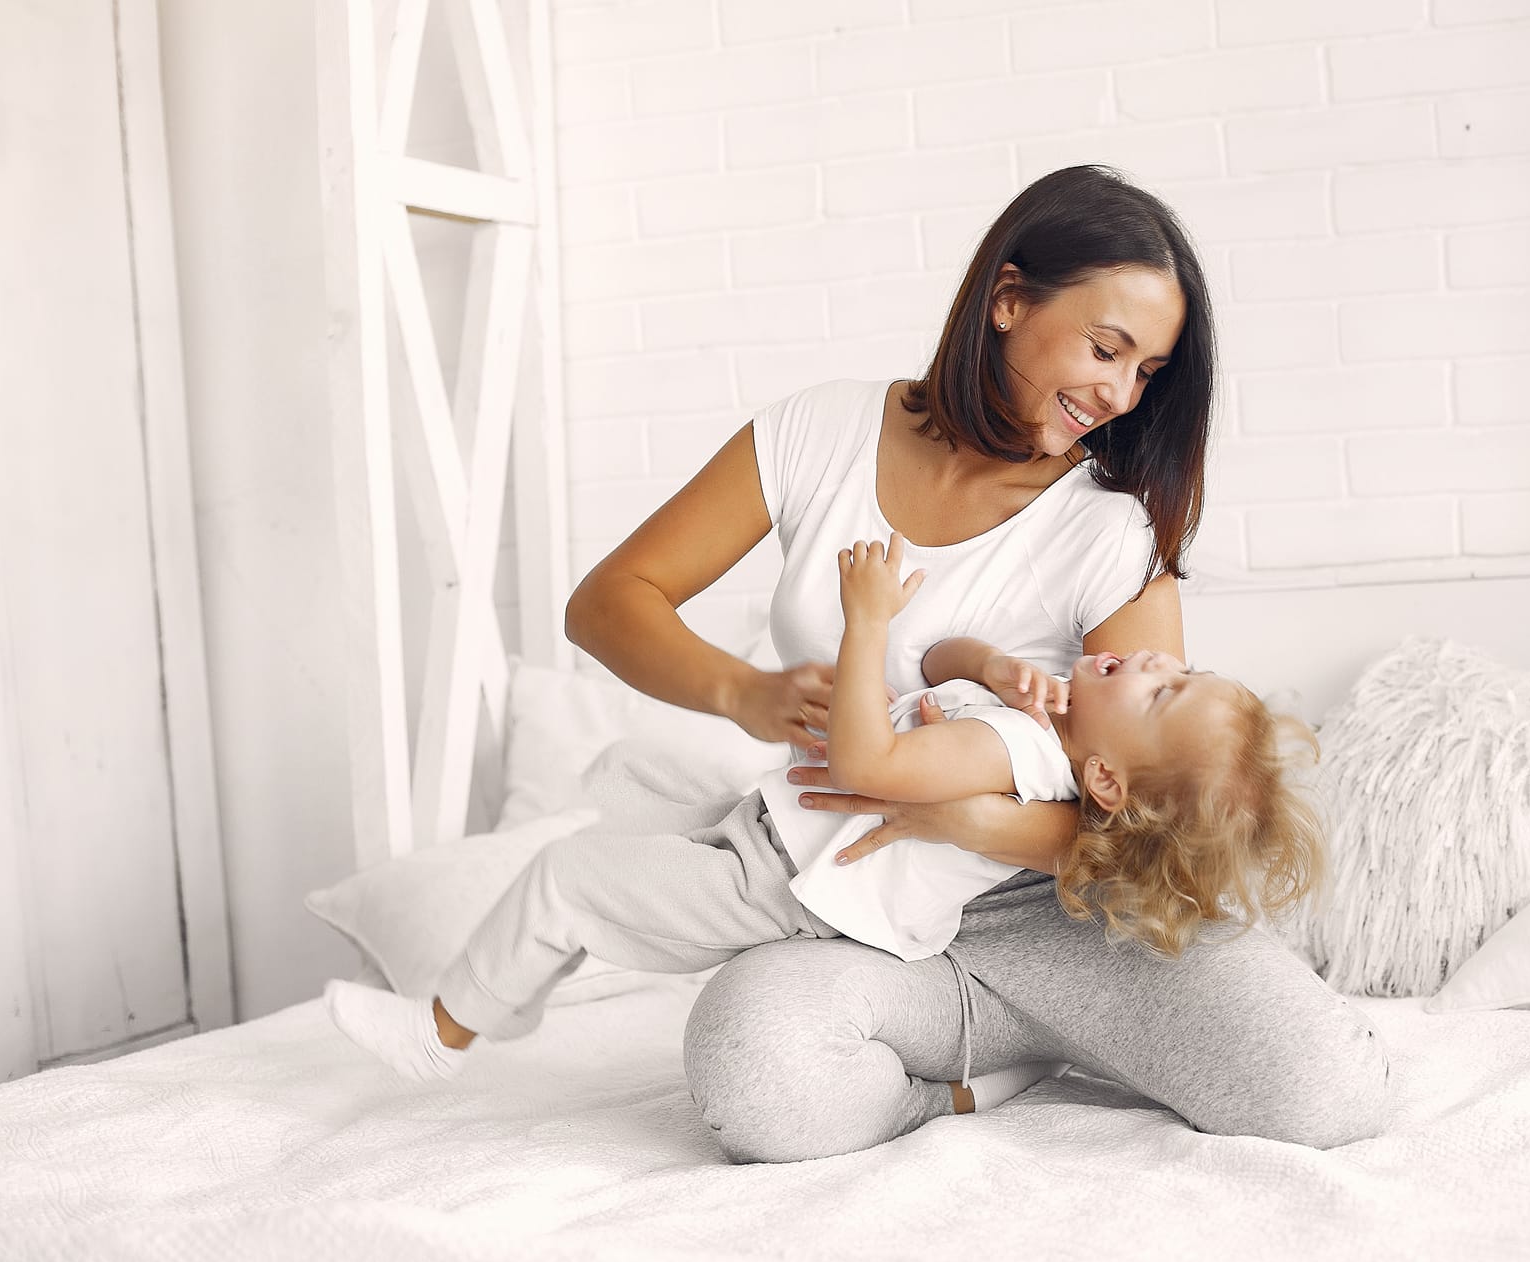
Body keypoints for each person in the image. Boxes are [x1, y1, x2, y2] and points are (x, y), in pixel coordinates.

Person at [568, 164, 1387, 1157]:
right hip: (868, 901)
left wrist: (963, 816)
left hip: (1063, 912)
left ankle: (1066, 1034)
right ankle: (970, 1083)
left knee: (1326, 1094)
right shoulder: (814, 434)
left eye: (1145, 372)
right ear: (1007, 300)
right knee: (751, 1068)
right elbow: (607, 603)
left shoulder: (1109, 530)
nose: (1118, 393)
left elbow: (1138, 827)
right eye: (1105, 348)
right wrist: (740, 691)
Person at [324, 532, 1325, 1109]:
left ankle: (444, 1032)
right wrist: (980, 664)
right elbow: (936, 674)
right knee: (631, 783)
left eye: (1160, 692)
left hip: (784, 887)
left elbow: (866, 761)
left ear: (1104, 781)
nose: (1151, 658)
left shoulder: (1018, 757)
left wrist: (869, 623)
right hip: (766, 828)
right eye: (1177, 667)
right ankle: (520, 982)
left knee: (566, 876)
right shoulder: (1037, 718)